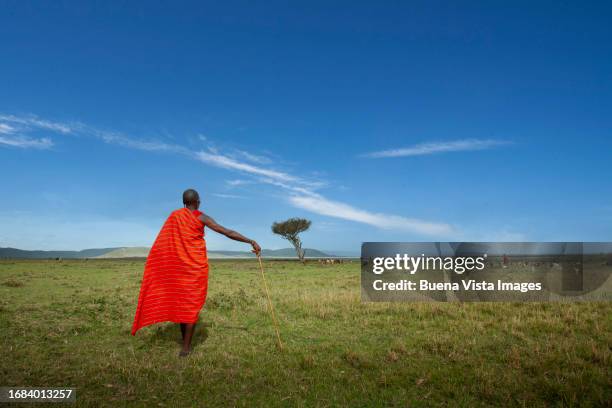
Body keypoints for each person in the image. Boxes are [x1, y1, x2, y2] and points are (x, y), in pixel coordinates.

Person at [131, 189, 261, 357]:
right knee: (190, 306)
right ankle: (186, 348)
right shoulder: (200, 217)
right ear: (197, 201)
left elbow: (164, 243)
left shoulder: (174, 216)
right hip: (194, 269)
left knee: (181, 304)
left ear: (184, 202)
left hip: (178, 270)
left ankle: (185, 343)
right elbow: (226, 232)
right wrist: (251, 241)